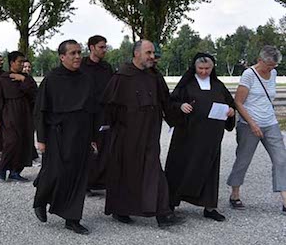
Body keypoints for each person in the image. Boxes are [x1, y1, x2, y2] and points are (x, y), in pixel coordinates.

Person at [101, 39, 184, 227]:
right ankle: (121, 209)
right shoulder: (121, 76)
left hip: (150, 133)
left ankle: (163, 213)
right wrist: (107, 132)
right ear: (136, 53)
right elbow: (108, 106)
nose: (152, 57)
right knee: (125, 171)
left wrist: (178, 114)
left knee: (154, 169)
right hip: (126, 135)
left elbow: (166, 102)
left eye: (153, 53)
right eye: (148, 53)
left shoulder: (155, 76)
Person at [33, 40, 96, 235]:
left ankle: (72, 218)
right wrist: (41, 139)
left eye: (79, 52)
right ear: (62, 57)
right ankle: (41, 200)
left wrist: (93, 137)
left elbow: (93, 110)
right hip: (57, 134)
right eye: (72, 53)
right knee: (55, 172)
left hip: (81, 134)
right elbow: (40, 110)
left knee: (78, 177)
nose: (77, 56)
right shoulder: (51, 79)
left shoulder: (86, 78)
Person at [164, 53, 235, 221]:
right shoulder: (186, 85)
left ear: (213, 68)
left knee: (210, 170)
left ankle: (209, 207)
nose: (204, 72)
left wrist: (231, 112)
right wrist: (181, 106)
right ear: (194, 68)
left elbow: (230, 105)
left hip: (211, 137)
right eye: (200, 69)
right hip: (187, 137)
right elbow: (170, 103)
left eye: (207, 69)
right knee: (180, 168)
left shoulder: (218, 86)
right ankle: (170, 203)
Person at [227, 45, 286, 214]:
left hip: (270, 123)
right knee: (243, 160)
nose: (272, 68)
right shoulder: (249, 75)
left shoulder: (273, 73)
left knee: (281, 159)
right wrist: (252, 123)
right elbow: (238, 102)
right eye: (269, 65)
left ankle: (284, 199)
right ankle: (235, 194)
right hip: (248, 125)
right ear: (260, 60)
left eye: (274, 66)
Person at [0, 51, 37, 181]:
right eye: (19, 62)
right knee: (12, 141)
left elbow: (34, 94)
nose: (22, 65)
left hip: (25, 115)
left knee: (23, 143)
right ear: (12, 63)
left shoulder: (27, 78)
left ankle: (15, 171)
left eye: (23, 62)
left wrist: (23, 79)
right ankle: (3, 167)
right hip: (9, 114)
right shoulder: (3, 79)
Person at [80, 35, 114, 194]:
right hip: (85, 113)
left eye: (105, 47)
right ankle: (84, 183)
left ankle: (101, 181)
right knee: (86, 147)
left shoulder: (107, 68)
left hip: (103, 113)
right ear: (91, 47)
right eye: (101, 47)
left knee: (104, 146)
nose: (104, 50)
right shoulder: (81, 66)